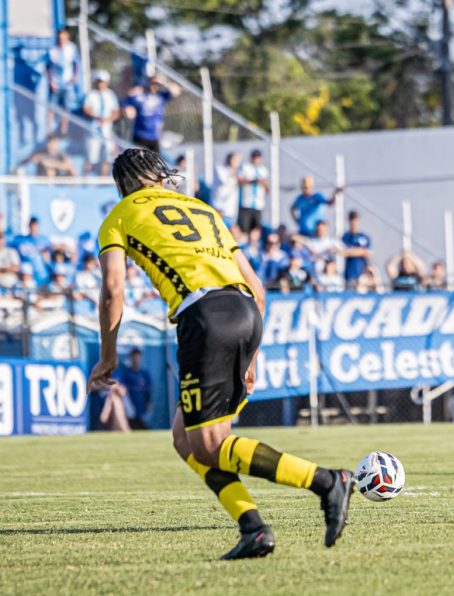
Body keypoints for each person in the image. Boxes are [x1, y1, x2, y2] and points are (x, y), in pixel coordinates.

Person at [87, 149, 354, 559]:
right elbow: (258, 289)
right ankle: (253, 528)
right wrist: (252, 358)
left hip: (205, 317)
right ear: (158, 175)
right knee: (186, 439)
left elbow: (112, 290)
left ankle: (326, 481)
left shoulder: (119, 215)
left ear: (123, 184)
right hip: (246, 311)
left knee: (209, 445)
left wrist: (108, 357)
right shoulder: (202, 209)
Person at [122, 76, 181, 152]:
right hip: (140, 135)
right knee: (139, 158)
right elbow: (125, 103)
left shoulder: (161, 96)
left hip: (154, 137)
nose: (154, 86)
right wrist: (127, 110)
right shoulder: (140, 96)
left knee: (155, 159)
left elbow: (176, 91)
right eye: (152, 84)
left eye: (156, 84)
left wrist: (163, 83)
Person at [81, 70, 121, 175]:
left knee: (107, 158)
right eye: (98, 81)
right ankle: (84, 179)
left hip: (106, 131)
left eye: (102, 81)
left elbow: (116, 112)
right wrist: (97, 117)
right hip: (93, 131)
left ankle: (103, 180)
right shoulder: (91, 94)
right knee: (91, 158)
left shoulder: (110, 95)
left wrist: (108, 119)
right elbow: (85, 109)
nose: (100, 84)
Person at [46, 28, 80, 136]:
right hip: (55, 83)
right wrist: (51, 81)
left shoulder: (71, 48)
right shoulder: (53, 50)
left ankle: (63, 130)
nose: (62, 40)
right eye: (60, 38)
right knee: (51, 107)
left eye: (64, 38)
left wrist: (75, 76)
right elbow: (47, 67)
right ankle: (49, 131)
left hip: (67, 83)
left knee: (66, 107)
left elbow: (76, 63)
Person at [113, 347, 153, 430]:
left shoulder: (145, 374)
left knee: (144, 428)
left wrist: (149, 403)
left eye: (137, 358)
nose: (136, 360)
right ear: (131, 358)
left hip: (142, 411)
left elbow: (148, 391)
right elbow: (121, 387)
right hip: (130, 411)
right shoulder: (126, 373)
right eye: (134, 358)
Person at [238, 150, 269, 233]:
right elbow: (240, 181)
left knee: (256, 230)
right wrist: (254, 181)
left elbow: (266, 186)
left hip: (258, 204)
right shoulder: (245, 167)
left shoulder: (263, 170)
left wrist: (265, 185)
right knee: (244, 229)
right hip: (246, 203)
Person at [341, 210, 372, 290]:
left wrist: (352, 251)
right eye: (352, 222)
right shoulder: (346, 236)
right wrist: (361, 251)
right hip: (349, 274)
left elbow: (368, 254)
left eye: (356, 222)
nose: (354, 224)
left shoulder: (364, 237)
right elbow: (343, 252)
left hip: (362, 274)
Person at [212, 153, 242, 225]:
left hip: (231, 212)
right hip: (219, 209)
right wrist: (233, 172)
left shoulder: (237, 173)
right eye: (236, 160)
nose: (238, 163)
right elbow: (224, 181)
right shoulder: (220, 169)